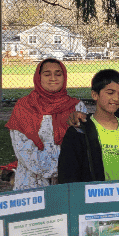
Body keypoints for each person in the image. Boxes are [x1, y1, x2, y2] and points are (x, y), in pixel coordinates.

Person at [7, 58, 87, 190]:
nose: (53, 78)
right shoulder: (24, 107)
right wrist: (57, 169)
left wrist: (66, 171)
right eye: (47, 74)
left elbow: (82, 147)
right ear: (39, 77)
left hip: (68, 181)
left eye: (58, 74)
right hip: (32, 181)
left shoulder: (77, 107)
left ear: (64, 77)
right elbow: (23, 150)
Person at [58, 70, 119, 183]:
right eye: (110, 92)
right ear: (94, 95)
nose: (116, 98)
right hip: (94, 197)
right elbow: (67, 174)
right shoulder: (79, 130)